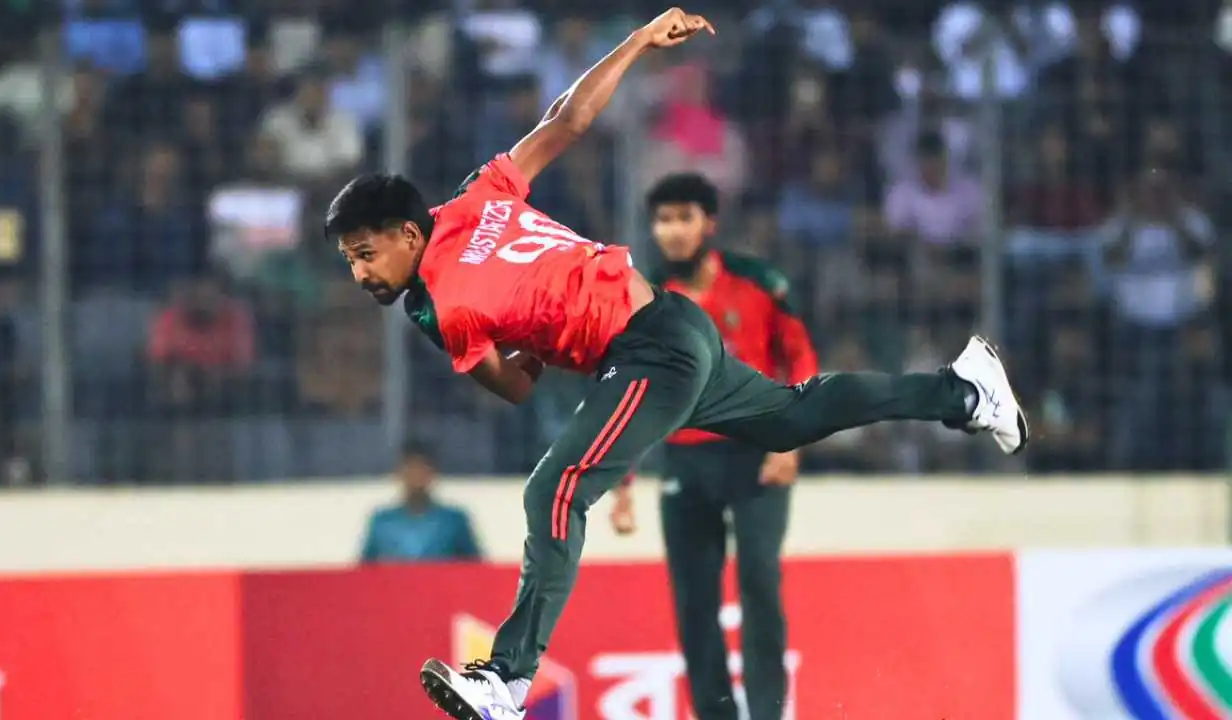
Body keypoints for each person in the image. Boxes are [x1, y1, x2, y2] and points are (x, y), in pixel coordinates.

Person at [324, 9, 1028, 720]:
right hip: (672, 325)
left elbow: (512, 386)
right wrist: (635, 43)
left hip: (646, 350)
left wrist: (534, 338)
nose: (359, 275)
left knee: (555, 489)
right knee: (792, 417)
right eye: (350, 260)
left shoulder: (443, 304)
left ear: (407, 233)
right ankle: (964, 392)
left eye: (365, 254)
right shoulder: (480, 194)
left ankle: (505, 679)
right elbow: (567, 121)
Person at [608, 172, 814, 720]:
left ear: (709, 223)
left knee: (759, 581)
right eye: (663, 220)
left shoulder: (759, 282)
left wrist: (792, 441)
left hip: (756, 451)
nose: (672, 231)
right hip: (686, 459)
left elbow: (799, 356)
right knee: (694, 599)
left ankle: (767, 712)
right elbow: (628, 392)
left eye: (684, 217)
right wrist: (622, 484)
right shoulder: (646, 301)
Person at [359, 443, 481, 562]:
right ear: (399, 474)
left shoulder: (452, 520)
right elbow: (365, 569)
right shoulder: (382, 522)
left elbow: (475, 567)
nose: (416, 476)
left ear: (433, 474)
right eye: (410, 469)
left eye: (422, 469)